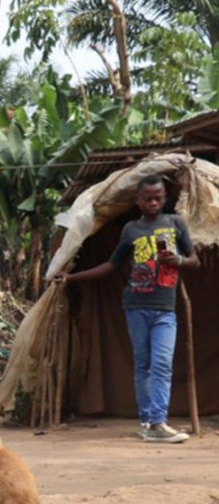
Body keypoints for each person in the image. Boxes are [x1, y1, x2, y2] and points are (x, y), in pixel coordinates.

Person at [55, 174, 199, 443]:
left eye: (158, 198)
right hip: (135, 305)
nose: (154, 202)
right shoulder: (131, 230)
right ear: (138, 201)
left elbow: (194, 261)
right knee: (143, 364)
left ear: (165, 198)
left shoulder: (176, 223)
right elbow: (111, 266)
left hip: (165, 308)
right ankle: (146, 422)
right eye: (148, 199)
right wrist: (71, 277)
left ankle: (158, 421)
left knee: (162, 363)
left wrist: (177, 258)